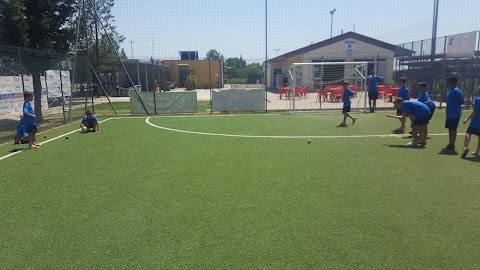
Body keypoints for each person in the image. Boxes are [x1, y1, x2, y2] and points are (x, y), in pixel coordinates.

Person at [442, 76, 464, 152]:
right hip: (449, 114)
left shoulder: (456, 91)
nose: (447, 84)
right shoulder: (450, 91)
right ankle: (450, 144)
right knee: (450, 130)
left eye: (448, 82)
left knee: (453, 130)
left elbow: (461, 101)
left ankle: (452, 145)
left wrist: (454, 105)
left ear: (452, 83)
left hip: (455, 114)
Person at [461, 86, 480, 158]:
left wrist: (467, 119)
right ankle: (477, 151)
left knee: (468, 133)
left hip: (476, 121)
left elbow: (475, 111)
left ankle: (465, 148)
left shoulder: (478, 99)